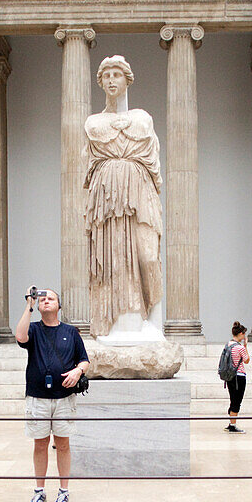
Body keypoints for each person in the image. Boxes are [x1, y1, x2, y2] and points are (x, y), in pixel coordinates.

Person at [84, 55, 163, 337]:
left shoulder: (142, 118)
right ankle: (114, 326)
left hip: (140, 191)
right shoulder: (93, 122)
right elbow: (89, 166)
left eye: (116, 74)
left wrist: (153, 197)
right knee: (113, 258)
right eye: (106, 76)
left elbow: (154, 164)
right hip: (106, 197)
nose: (111, 80)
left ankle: (154, 320)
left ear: (127, 79)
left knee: (148, 255)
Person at [15, 286, 90, 502]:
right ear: (37, 306)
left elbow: (84, 360)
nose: (46, 301)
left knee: (63, 445)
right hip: (38, 396)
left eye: (51, 298)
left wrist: (78, 371)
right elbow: (20, 336)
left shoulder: (70, 332)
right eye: (42, 299)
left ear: (59, 306)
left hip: (64, 397)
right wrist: (28, 305)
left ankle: (64, 492)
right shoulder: (34, 329)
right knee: (40, 445)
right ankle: (39, 492)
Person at [224, 322, 250, 433]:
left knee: (232, 399)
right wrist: (245, 346)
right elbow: (247, 360)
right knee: (237, 401)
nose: (244, 336)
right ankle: (232, 425)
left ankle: (231, 422)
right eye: (243, 334)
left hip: (229, 376)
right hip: (239, 376)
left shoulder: (228, 344)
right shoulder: (240, 347)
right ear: (240, 334)